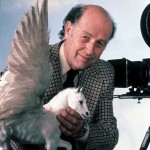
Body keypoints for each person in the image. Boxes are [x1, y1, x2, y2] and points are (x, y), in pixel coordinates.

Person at [8, 3, 118, 150]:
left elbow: (110, 135)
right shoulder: (32, 60)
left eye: (99, 43)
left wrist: (82, 131)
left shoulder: (104, 72)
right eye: (85, 37)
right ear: (68, 30)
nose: (90, 50)